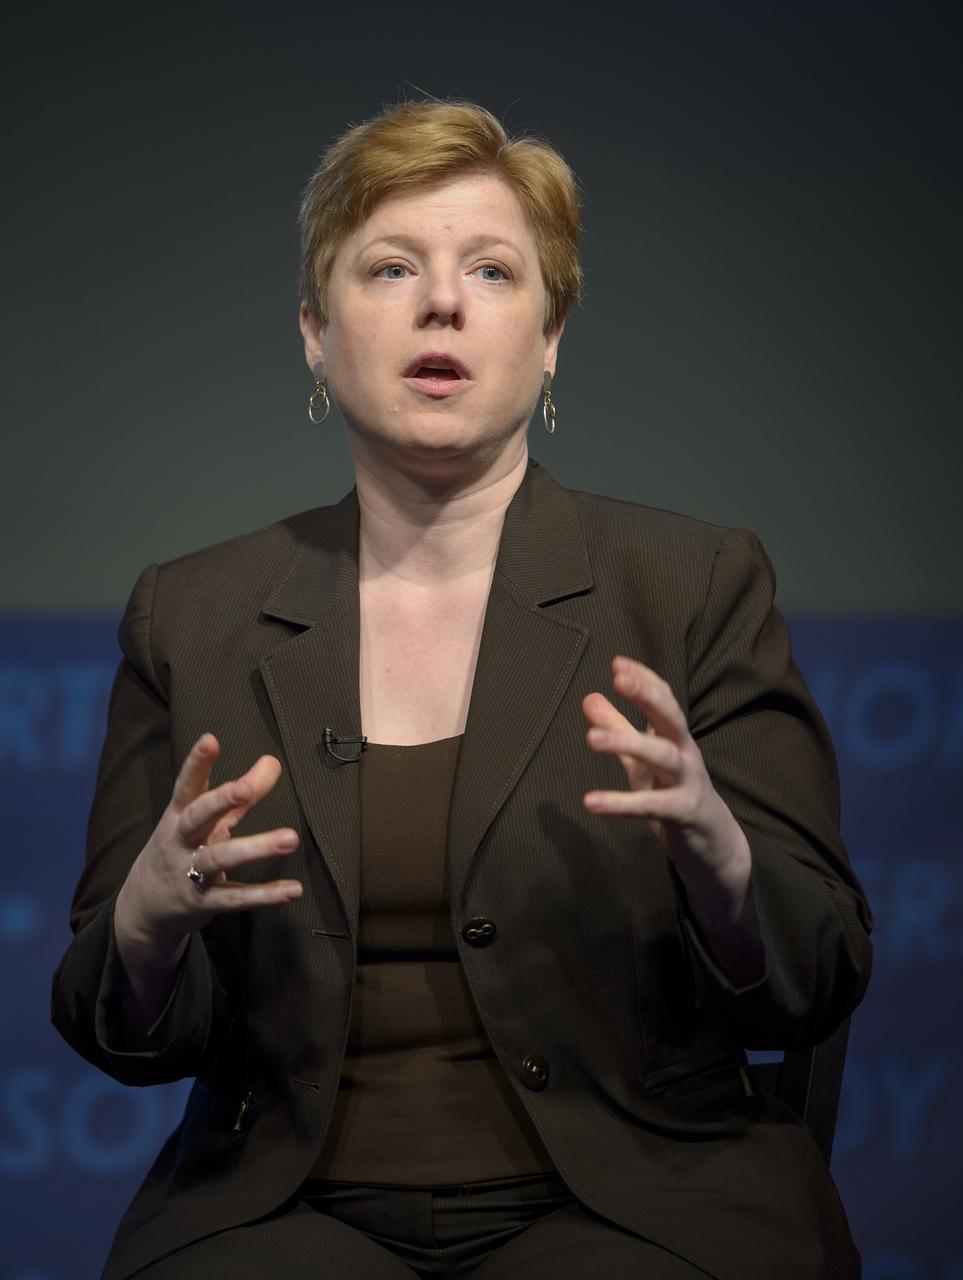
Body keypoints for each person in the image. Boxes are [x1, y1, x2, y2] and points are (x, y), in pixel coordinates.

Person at [51, 98, 873, 1280]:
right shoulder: (194, 613)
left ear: (549, 342)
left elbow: (823, 962)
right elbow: (115, 1022)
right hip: (282, 1207)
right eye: (391, 268)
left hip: (636, 1194)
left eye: (492, 271)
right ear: (313, 334)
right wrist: (144, 925)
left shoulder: (691, 584)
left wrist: (722, 861)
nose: (443, 301)